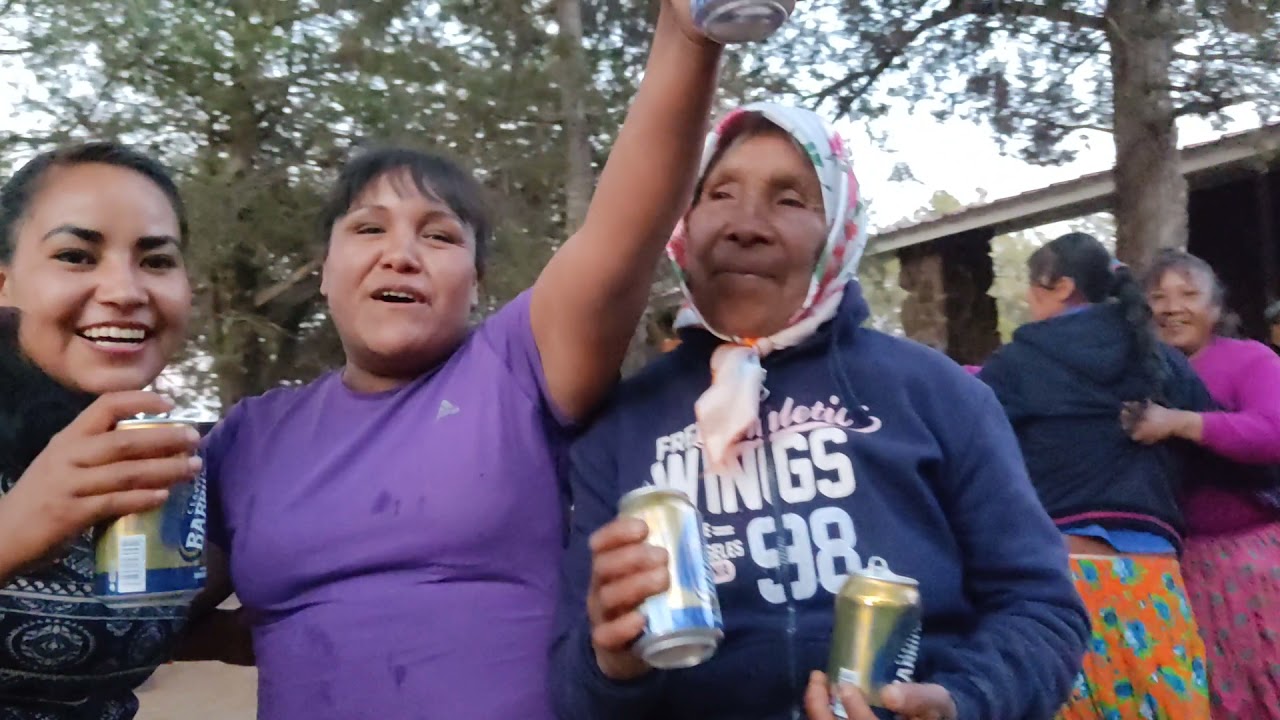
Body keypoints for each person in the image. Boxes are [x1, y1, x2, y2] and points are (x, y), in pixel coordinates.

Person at [184, 3, 726, 718]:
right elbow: (140, 609)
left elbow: (627, 225)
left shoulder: (514, 370)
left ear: (476, 282)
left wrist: (689, 33)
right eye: (368, 228)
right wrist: (236, 636)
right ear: (324, 270)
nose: (400, 252)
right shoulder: (250, 436)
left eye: (439, 237)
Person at [551, 103, 1088, 720]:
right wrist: (612, 667)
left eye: (789, 199)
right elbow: (573, 689)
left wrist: (963, 702)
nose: (746, 224)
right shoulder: (621, 427)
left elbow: (1041, 608)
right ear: (684, 225)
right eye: (720, 193)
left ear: (837, 233)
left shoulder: (937, 393)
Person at [0, 143, 204, 718]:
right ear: (3, 284)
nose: (125, 291)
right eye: (76, 255)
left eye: (157, 261)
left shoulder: (173, 463)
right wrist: (14, 533)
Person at [974, 233, 1215, 720]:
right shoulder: (1161, 359)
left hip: (1064, 580)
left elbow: (973, 452)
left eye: (1033, 287)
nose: (1028, 300)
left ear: (1061, 287)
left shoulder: (1017, 364)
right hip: (1155, 582)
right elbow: (1215, 439)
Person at [1132, 250, 1280, 720]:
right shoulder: (1136, 375)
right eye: (1158, 297)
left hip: (1251, 564)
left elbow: (1271, 432)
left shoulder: (1250, 361)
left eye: (1188, 294)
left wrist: (1183, 423)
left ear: (1215, 308)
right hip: (1175, 568)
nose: (1171, 307)